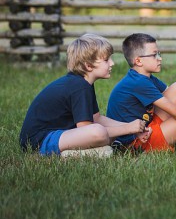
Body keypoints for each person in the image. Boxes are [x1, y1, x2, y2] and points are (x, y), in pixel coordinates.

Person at [19, 34, 148, 157]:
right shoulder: (79, 86)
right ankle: (67, 155)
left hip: (58, 136)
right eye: (106, 60)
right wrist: (127, 128)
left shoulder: (84, 83)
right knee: (99, 132)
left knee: (103, 132)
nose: (112, 63)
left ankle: (84, 153)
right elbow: (87, 129)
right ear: (88, 65)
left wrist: (132, 127)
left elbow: (97, 119)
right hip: (40, 142)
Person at [107, 33, 176, 152]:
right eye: (154, 55)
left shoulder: (144, 77)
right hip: (136, 142)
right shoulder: (138, 82)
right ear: (138, 61)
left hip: (146, 128)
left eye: (159, 54)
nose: (159, 58)